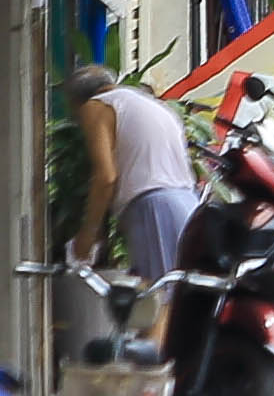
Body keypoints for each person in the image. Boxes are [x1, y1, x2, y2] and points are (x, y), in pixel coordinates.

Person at [68, 64, 199, 281]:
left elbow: (106, 177)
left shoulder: (97, 106)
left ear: (77, 102)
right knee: (179, 301)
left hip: (154, 208)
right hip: (187, 205)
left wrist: (89, 234)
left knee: (161, 304)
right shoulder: (150, 104)